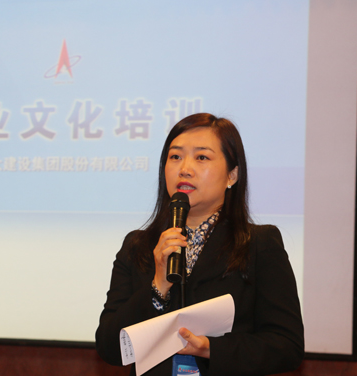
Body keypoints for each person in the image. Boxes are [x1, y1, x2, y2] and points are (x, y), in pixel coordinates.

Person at [95, 113, 304, 376]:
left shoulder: (259, 244)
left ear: (232, 175)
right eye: (175, 157)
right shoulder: (138, 246)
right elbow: (110, 348)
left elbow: (287, 347)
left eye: (202, 157)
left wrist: (210, 349)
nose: (185, 168)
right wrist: (158, 286)